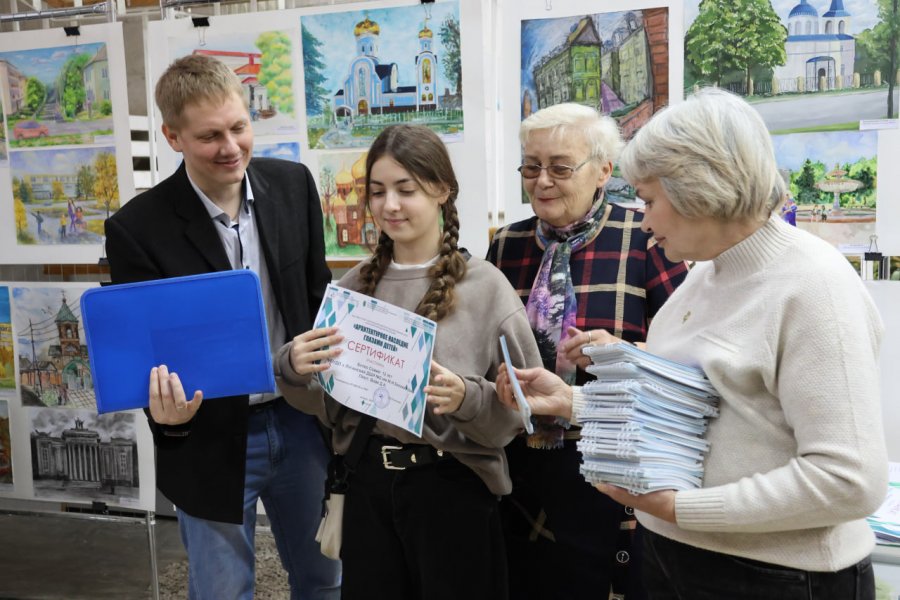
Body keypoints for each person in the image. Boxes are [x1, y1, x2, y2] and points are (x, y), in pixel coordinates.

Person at [497, 88, 887, 600]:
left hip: (776, 578)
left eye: (651, 200)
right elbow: (695, 412)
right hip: (683, 559)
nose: (643, 218)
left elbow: (848, 481)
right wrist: (574, 402)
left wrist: (681, 509)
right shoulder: (706, 278)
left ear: (701, 190)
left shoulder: (814, 286)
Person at [104, 54, 340, 600]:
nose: (231, 147)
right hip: (207, 437)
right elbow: (146, 353)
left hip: (300, 419)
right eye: (210, 136)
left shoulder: (293, 186)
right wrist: (168, 417)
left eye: (239, 127)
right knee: (223, 590)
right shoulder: (137, 230)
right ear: (173, 136)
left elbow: (316, 293)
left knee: (326, 577)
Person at [276, 124, 542, 600]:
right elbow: (326, 405)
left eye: (406, 189)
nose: (389, 206)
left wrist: (468, 398)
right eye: (377, 192)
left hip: (453, 488)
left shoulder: (487, 287)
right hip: (366, 487)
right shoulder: (352, 289)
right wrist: (293, 366)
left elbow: (523, 411)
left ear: (442, 190)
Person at [486, 102, 688, 600]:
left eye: (559, 167)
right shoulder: (505, 247)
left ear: (603, 171)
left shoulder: (646, 237)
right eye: (531, 167)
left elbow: (689, 361)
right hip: (522, 466)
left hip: (613, 466)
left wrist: (624, 351)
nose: (542, 181)